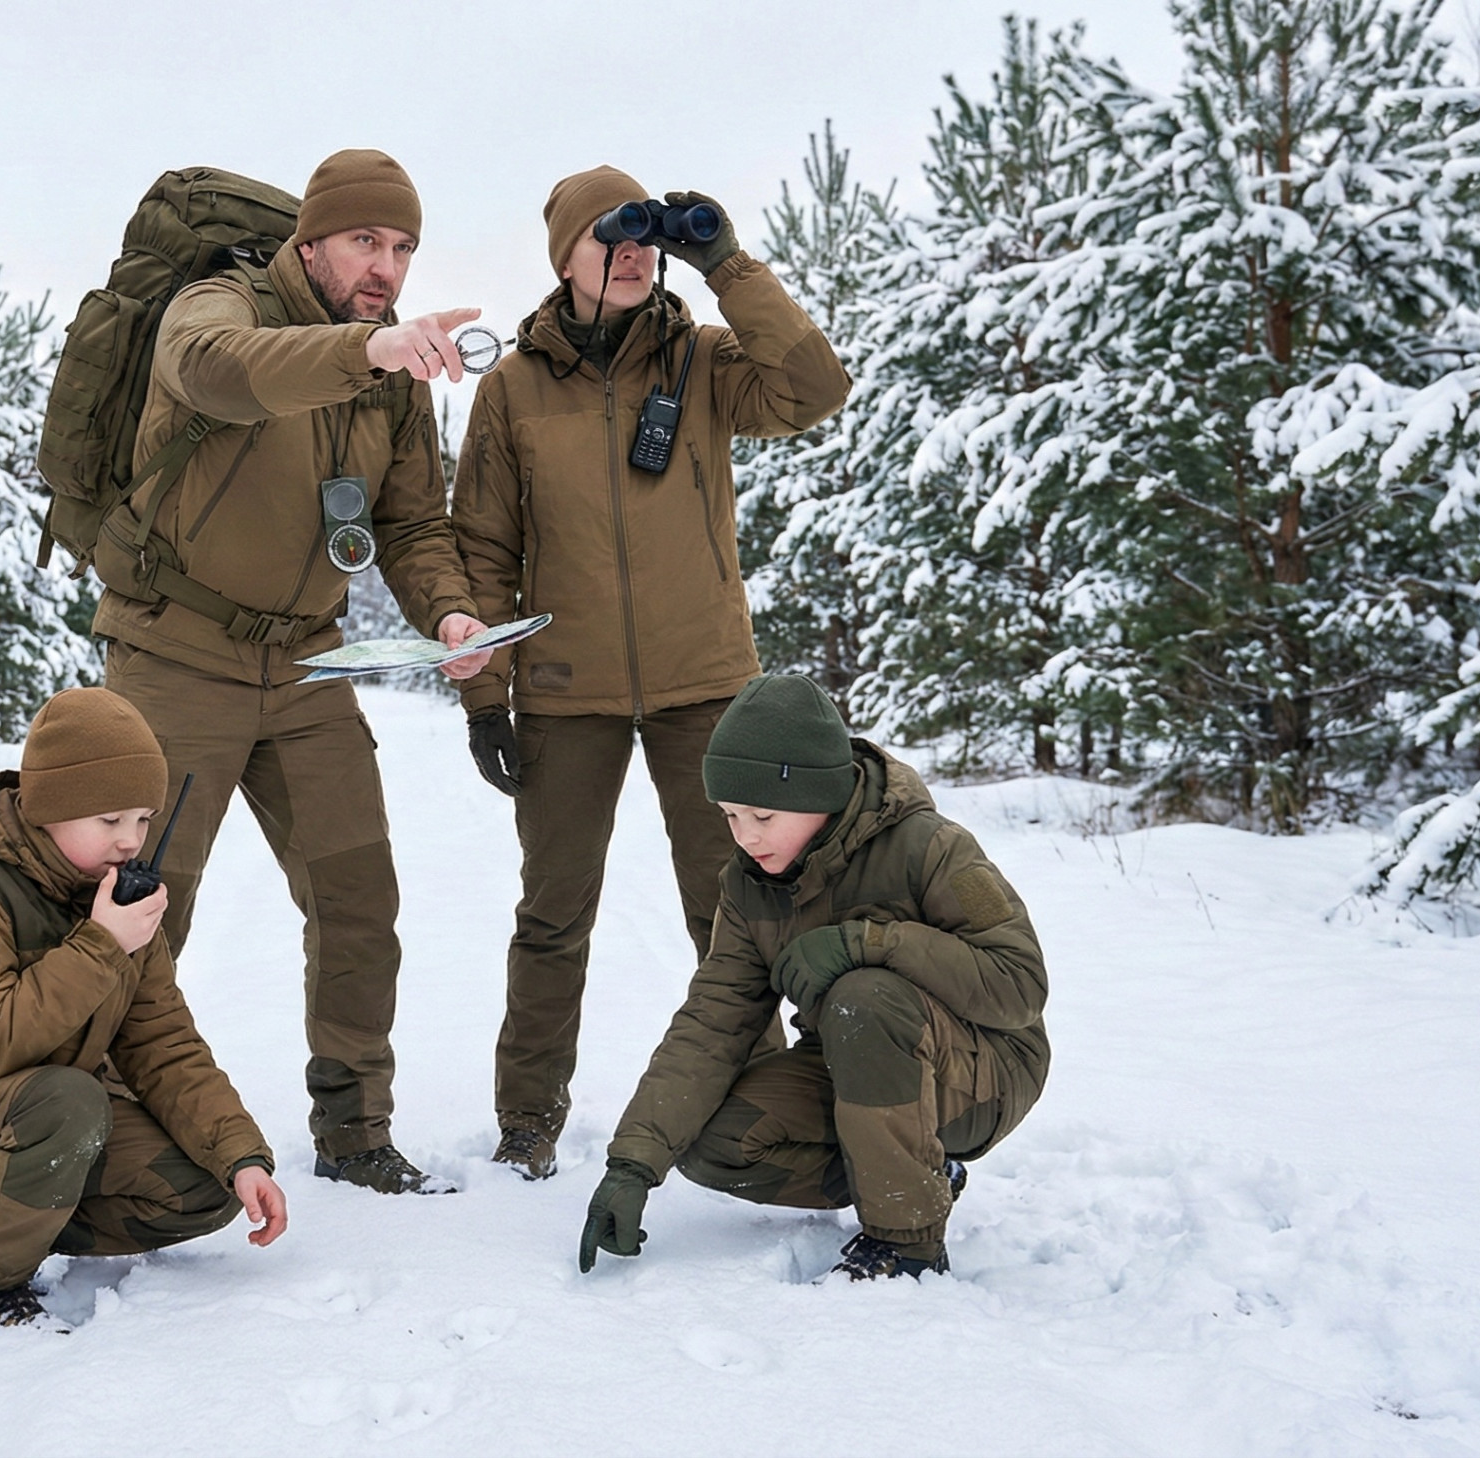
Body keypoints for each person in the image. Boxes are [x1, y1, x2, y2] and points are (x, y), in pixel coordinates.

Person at [90, 149, 492, 1194]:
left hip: (308, 668)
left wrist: (448, 609)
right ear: (308, 242)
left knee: (358, 896)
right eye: (366, 240)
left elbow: (410, 522)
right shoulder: (217, 306)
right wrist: (372, 348)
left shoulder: (392, 375)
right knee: (141, 908)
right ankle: (106, 1133)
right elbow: (225, 374)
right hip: (177, 654)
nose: (386, 266)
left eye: (402, 247)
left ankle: (355, 1129)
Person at [452, 166, 853, 1178]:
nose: (631, 251)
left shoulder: (710, 362)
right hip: (563, 691)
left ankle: (761, 1117)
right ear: (564, 258)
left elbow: (818, 388)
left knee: (734, 912)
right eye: (607, 234)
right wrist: (483, 696)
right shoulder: (511, 389)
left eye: (644, 235)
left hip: (706, 686)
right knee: (553, 916)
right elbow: (484, 551)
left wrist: (726, 263)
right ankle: (527, 1124)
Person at [578, 675, 1050, 1281]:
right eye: (729, 816)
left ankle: (908, 1242)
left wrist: (874, 942)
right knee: (717, 1140)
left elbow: (1020, 985)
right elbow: (712, 1023)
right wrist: (633, 1163)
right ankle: (915, 1175)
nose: (745, 836)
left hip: (986, 1074)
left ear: (820, 793)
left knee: (864, 995)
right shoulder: (750, 886)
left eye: (763, 814)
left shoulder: (933, 848)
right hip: (858, 1069)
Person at [0, 688, 287, 1326]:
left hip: (36, 1107)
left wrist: (241, 1156)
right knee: (70, 1104)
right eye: (110, 821)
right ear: (50, 808)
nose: (131, 841)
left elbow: (163, 1044)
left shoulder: (117, 899)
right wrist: (102, 944)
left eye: (143, 819)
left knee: (200, 1189)